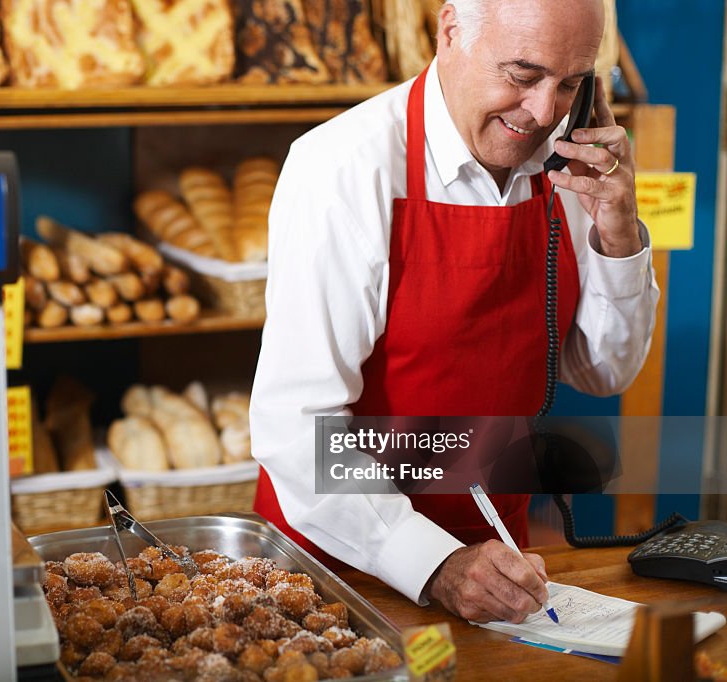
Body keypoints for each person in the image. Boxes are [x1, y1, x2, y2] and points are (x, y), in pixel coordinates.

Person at [250, 0, 658, 624]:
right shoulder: (341, 168)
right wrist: (434, 564)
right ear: (449, 32)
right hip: (341, 570)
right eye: (522, 75)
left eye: (571, 84)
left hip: (503, 562)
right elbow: (294, 427)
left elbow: (604, 372)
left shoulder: (568, 167)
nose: (544, 113)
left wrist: (619, 234)